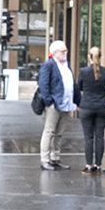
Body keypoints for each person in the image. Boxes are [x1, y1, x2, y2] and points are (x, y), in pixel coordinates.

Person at [36, 40, 79, 170]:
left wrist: (77, 101)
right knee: (49, 131)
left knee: (59, 132)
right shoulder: (48, 65)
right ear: (55, 53)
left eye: (66, 50)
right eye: (63, 51)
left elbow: (72, 83)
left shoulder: (67, 65)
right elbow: (43, 85)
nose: (66, 52)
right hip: (54, 104)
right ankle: (45, 159)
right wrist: (50, 102)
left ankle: (55, 158)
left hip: (66, 103)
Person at [77, 47, 105, 174]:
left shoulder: (84, 71)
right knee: (99, 137)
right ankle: (98, 166)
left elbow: (79, 87)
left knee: (88, 137)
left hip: (87, 107)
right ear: (101, 56)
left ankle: (88, 165)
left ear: (89, 57)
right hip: (102, 107)